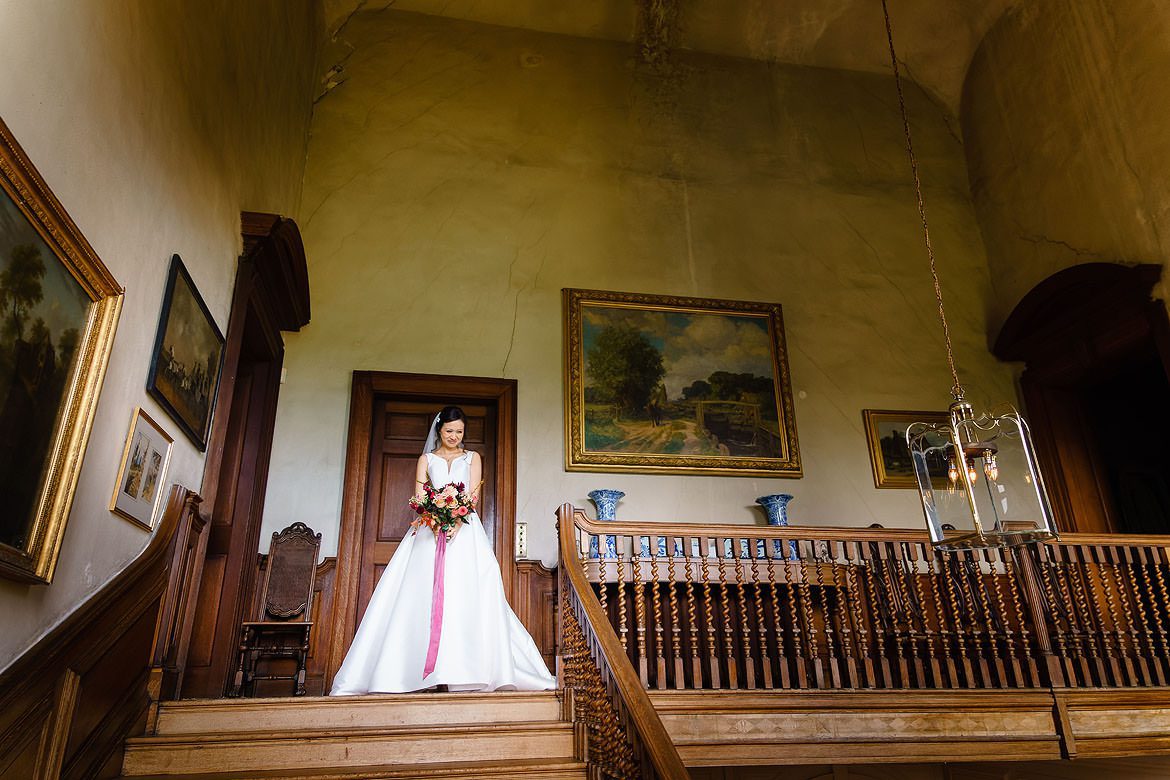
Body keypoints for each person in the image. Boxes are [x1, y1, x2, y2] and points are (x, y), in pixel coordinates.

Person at [330, 405, 556, 694]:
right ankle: (412, 671)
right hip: (430, 530)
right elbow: (422, 495)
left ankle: (468, 669)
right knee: (420, 594)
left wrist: (457, 521)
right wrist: (435, 520)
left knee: (466, 592)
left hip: (466, 532)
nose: (454, 436)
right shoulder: (426, 459)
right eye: (450, 431)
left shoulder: (473, 458)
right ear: (439, 430)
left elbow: (472, 495)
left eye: (460, 431)